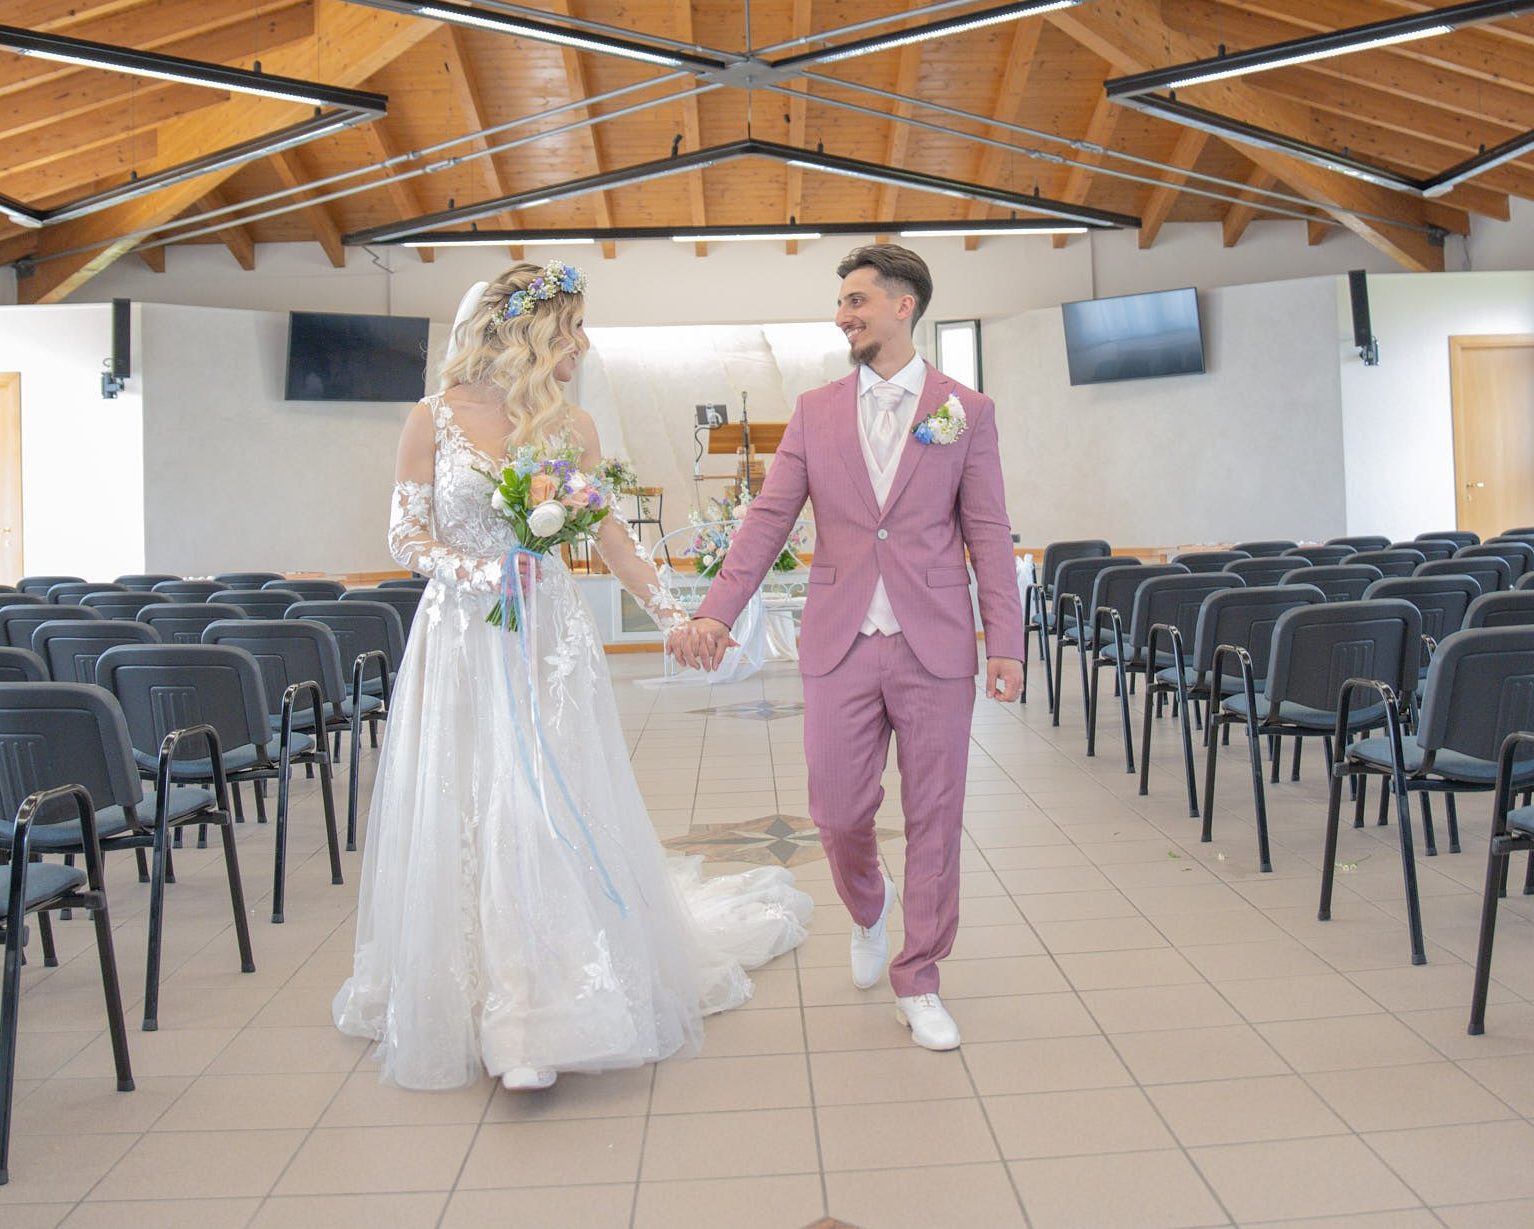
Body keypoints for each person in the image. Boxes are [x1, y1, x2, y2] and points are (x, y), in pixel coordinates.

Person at [333, 260, 811, 1093]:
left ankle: (533, 1013)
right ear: (528, 330)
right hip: (462, 637)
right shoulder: (431, 419)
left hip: (547, 639)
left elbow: (613, 538)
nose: (582, 342)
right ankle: (471, 990)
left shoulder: (572, 427)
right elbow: (404, 538)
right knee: (472, 800)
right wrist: (476, 572)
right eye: (573, 326)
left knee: (541, 802)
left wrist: (675, 615)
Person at [669, 244, 1024, 1052]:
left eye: (857, 300)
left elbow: (989, 534)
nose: (843, 315)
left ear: (904, 305)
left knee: (935, 816)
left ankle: (920, 976)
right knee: (835, 811)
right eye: (840, 304)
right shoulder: (814, 410)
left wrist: (1005, 638)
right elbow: (767, 519)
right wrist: (719, 613)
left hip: (935, 643)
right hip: (840, 641)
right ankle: (869, 907)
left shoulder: (966, 410)